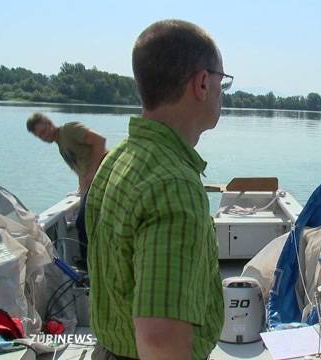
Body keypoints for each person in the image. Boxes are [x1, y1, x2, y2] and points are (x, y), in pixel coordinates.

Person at [86, 19, 231, 360]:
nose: (222, 93)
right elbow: (160, 343)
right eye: (222, 82)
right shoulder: (174, 186)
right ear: (202, 83)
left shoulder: (118, 159)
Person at [27, 113, 107, 268]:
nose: (43, 137)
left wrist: (94, 171)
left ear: (49, 123)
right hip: (92, 185)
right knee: (87, 222)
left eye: (43, 132)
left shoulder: (69, 130)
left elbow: (100, 140)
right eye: (39, 136)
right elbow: (80, 168)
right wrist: (81, 191)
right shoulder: (61, 144)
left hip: (103, 179)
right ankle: (92, 262)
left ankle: (87, 265)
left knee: (82, 222)